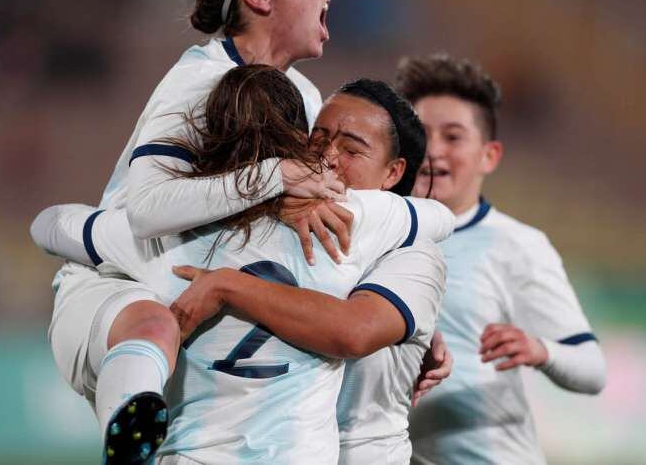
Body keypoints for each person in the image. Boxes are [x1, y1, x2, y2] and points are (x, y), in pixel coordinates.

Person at [32, 66, 457, 464]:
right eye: (317, 139)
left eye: (350, 149)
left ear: (394, 171)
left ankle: (127, 397)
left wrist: (227, 284)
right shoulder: (370, 223)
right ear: (292, 145)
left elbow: (353, 330)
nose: (327, 157)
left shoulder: (172, 236)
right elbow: (440, 218)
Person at [43, 0, 344, 464]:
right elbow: (148, 208)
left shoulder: (303, 95)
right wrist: (276, 175)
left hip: (199, 293)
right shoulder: (200, 81)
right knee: (155, 325)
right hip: (121, 288)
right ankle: (127, 442)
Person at [397, 54, 607, 465]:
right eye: (421, 135)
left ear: (489, 156)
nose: (433, 151)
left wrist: (540, 348)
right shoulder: (376, 232)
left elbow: (593, 369)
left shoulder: (516, 245)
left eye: (453, 137)